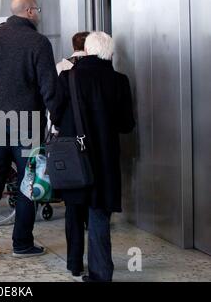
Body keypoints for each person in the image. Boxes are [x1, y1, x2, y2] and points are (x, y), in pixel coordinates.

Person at [0, 0, 62, 257]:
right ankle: (22, 242)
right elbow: (49, 87)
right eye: (38, 10)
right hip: (27, 121)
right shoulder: (38, 42)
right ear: (30, 11)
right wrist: (59, 118)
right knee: (28, 180)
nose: (39, 14)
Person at [55, 31, 135, 281]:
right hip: (106, 159)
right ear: (109, 53)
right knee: (99, 213)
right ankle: (100, 273)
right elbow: (126, 124)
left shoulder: (68, 78)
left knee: (74, 209)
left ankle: (74, 263)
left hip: (75, 158)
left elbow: (56, 117)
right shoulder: (120, 81)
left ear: (86, 51)